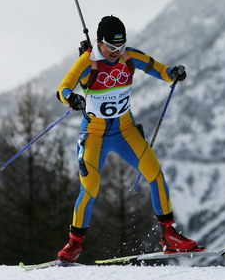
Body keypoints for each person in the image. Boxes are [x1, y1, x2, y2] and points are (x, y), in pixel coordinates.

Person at [55, 15, 204, 262]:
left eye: (121, 45)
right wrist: (71, 98)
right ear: (99, 42)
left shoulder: (128, 56)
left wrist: (173, 73)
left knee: (155, 174)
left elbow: (159, 69)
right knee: (90, 188)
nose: (116, 52)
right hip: (94, 134)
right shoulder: (87, 61)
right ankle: (74, 243)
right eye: (112, 47)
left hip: (125, 130)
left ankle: (169, 235)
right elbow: (63, 88)